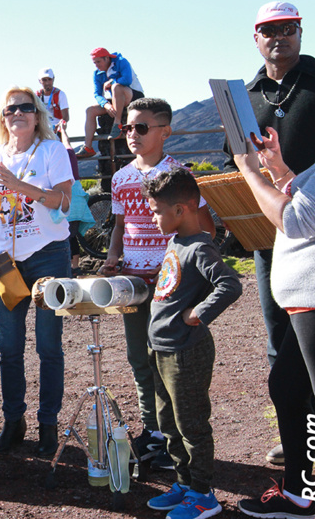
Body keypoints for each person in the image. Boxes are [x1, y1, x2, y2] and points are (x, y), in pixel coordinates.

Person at [229, 1, 315, 470]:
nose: (279, 36)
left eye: (289, 28)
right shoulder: (244, 97)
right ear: (256, 37)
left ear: (301, 34)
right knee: (281, 340)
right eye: (269, 29)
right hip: (267, 229)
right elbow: (233, 157)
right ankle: (302, 439)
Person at [100, 98, 216, 471]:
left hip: (171, 283)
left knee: (172, 360)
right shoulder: (119, 178)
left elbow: (205, 229)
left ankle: (178, 436)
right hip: (132, 280)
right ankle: (153, 431)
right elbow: (119, 226)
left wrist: (190, 271)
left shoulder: (180, 175)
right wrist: (112, 260)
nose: (132, 135)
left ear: (166, 131)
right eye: (127, 128)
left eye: (141, 128)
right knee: (139, 357)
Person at [233, 101, 315, 519]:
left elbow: (300, 222)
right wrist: (279, 172)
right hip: (313, 299)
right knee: (290, 390)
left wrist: (252, 174)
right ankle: (298, 496)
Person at [0, 86, 73, 457]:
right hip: (5, 262)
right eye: (11, 109)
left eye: (27, 108)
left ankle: (48, 423)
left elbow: (63, 200)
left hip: (48, 255)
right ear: (3, 116)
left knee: (48, 345)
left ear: (37, 115)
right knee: (8, 347)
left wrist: (19, 186)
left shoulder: (51, 150)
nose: (18, 113)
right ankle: (13, 421)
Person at [142, 168, 241, 519]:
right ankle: (184, 484)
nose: (152, 217)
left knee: (192, 425)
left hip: (186, 351)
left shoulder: (200, 246)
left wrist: (198, 312)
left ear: (181, 211)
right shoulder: (176, 241)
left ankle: (203, 495)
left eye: (156, 211)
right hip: (162, 349)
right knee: (168, 423)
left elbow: (230, 285)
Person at [77, 48, 144, 159]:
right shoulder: (97, 73)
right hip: (117, 100)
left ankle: (117, 124)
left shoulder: (121, 62)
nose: (96, 65)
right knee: (90, 110)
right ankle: (87, 147)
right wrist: (105, 104)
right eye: (94, 63)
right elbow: (97, 94)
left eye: (98, 62)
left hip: (133, 96)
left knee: (116, 87)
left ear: (107, 58)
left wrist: (112, 81)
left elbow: (126, 80)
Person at [36, 68, 70, 146]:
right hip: (42, 127)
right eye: (44, 80)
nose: (47, 82)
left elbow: (66, 117)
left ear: (53, 79)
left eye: (49, 79)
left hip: (56, 128)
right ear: (39, 81)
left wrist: (61, 123)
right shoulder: (36, 95)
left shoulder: (60, 94)